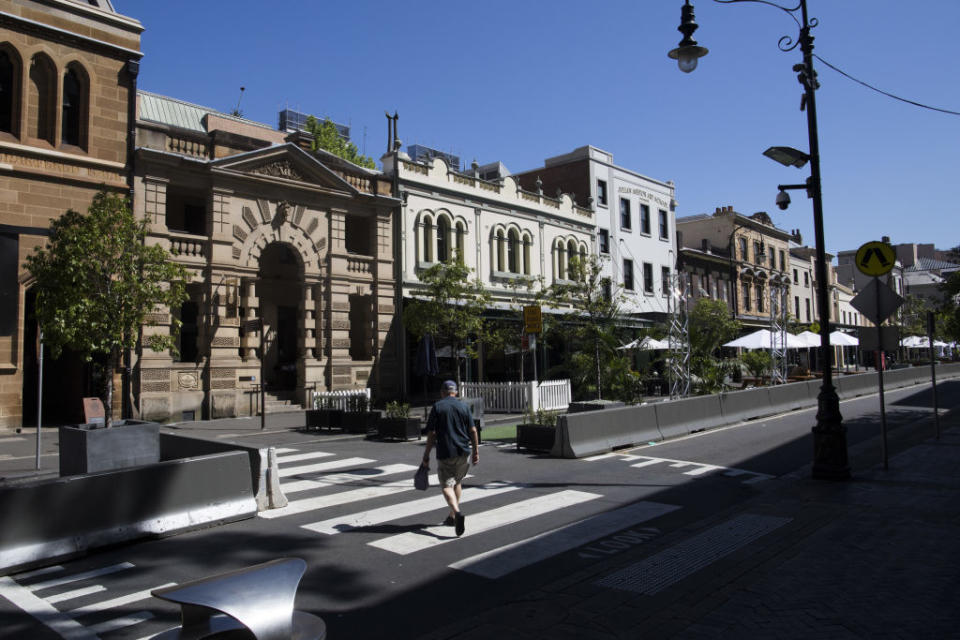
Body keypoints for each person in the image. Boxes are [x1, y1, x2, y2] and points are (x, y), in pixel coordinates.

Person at [420, 380, 479, 537]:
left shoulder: (438, 407)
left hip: (446, 451)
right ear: (456, 392)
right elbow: (473, 430)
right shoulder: (464, 406)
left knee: (446, 485)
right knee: (457, 482)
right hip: (463, 452)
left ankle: (457, 512)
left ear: (442, 392)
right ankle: (452, 516)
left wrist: (426, 456)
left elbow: (431, 433)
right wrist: (476, 451)